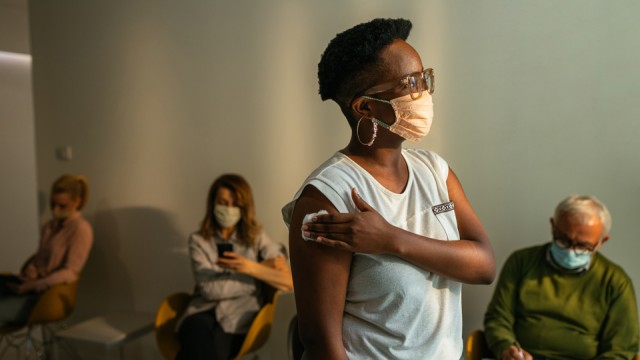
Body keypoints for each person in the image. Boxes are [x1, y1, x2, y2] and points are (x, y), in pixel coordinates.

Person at [281, 18, 495, 359]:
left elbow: (483, 266)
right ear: (365, 107)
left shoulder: (435, 171)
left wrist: (391, 240)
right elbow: (320, 340)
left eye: (425, 78)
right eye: (410, 83)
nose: (423, 93)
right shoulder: (327, 198)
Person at [484, 195, 639, 360]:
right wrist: (506, 348)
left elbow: (621, 348)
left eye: (582, 245)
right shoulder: (522, 262)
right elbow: (498, 319)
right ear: (553, 226)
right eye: (564, 240)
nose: (571, 250)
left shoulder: (615, 282)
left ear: (601, 242)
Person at [176, 174, 293, 360]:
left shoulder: (256, 238)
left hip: (239, 318)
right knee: (193, 333)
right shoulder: (198, 241)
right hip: (201, 313)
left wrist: (248, 267)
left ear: (244, 207)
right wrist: (258, 274)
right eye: (222, 202)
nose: (228, 209)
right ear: (213, 203)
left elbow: (288, 283)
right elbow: (208, 290)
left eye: (235, 204)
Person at [0, 174, 93, 327]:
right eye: (52, 204)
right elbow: (39, 259)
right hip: (30, 285)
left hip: (45, 295)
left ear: (77, 202)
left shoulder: (81, 229)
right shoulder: (49, 226)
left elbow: (70, 272)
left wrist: (35, 285)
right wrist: (32, 271)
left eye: (62, 206)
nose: (55, 210)